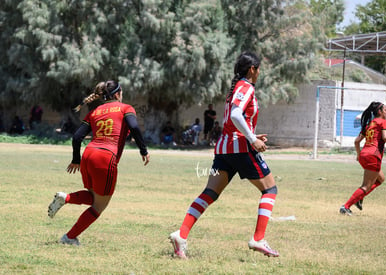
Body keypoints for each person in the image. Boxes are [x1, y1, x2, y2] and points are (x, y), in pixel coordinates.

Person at [169, 51, 279, 259]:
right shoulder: (246, 87)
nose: (259, 73)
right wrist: (251, 139)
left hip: (224, 148)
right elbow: (237, 115)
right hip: (240, 148)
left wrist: (253, 135)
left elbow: (234, 118)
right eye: (258, 69)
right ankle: (258, 238)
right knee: (270, 190)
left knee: (210, 193)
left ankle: (181, 234)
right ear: (252, 69)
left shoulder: (236, 89)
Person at [47, 80, 150, 245]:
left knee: (95, 197)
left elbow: (77, 137)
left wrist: (76, 159)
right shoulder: (125, 108)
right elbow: (135, 128)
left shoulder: (95, 111)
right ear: (117, 94)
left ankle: (65, 198)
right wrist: (143, 150)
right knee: (99, 206)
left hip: (88, 155)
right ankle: (69, 237)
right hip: (105, 158)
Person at [339, 102, 386, 215]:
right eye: (385, 109)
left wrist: (359, 155)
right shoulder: (384, 122)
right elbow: (385, 137)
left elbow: (356, 141)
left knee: (381, 179)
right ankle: (346, 207)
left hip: (364, 155)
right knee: (366, 186)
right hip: (373, 156)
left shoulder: (370, 124)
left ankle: (359, 197)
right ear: (380, 112)